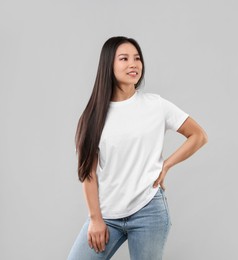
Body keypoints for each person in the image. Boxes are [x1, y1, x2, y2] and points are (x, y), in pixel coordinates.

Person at [68, 36, 208, 260]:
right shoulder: (93, 115)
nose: (133, 64)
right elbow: (88, 173)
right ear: (108, 65)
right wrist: (95, 219)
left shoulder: (156, 105)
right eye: (124, 58)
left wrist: (167, 165)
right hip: (106, 214)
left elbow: (198, 136)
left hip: (149, 211)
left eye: (137, 58)